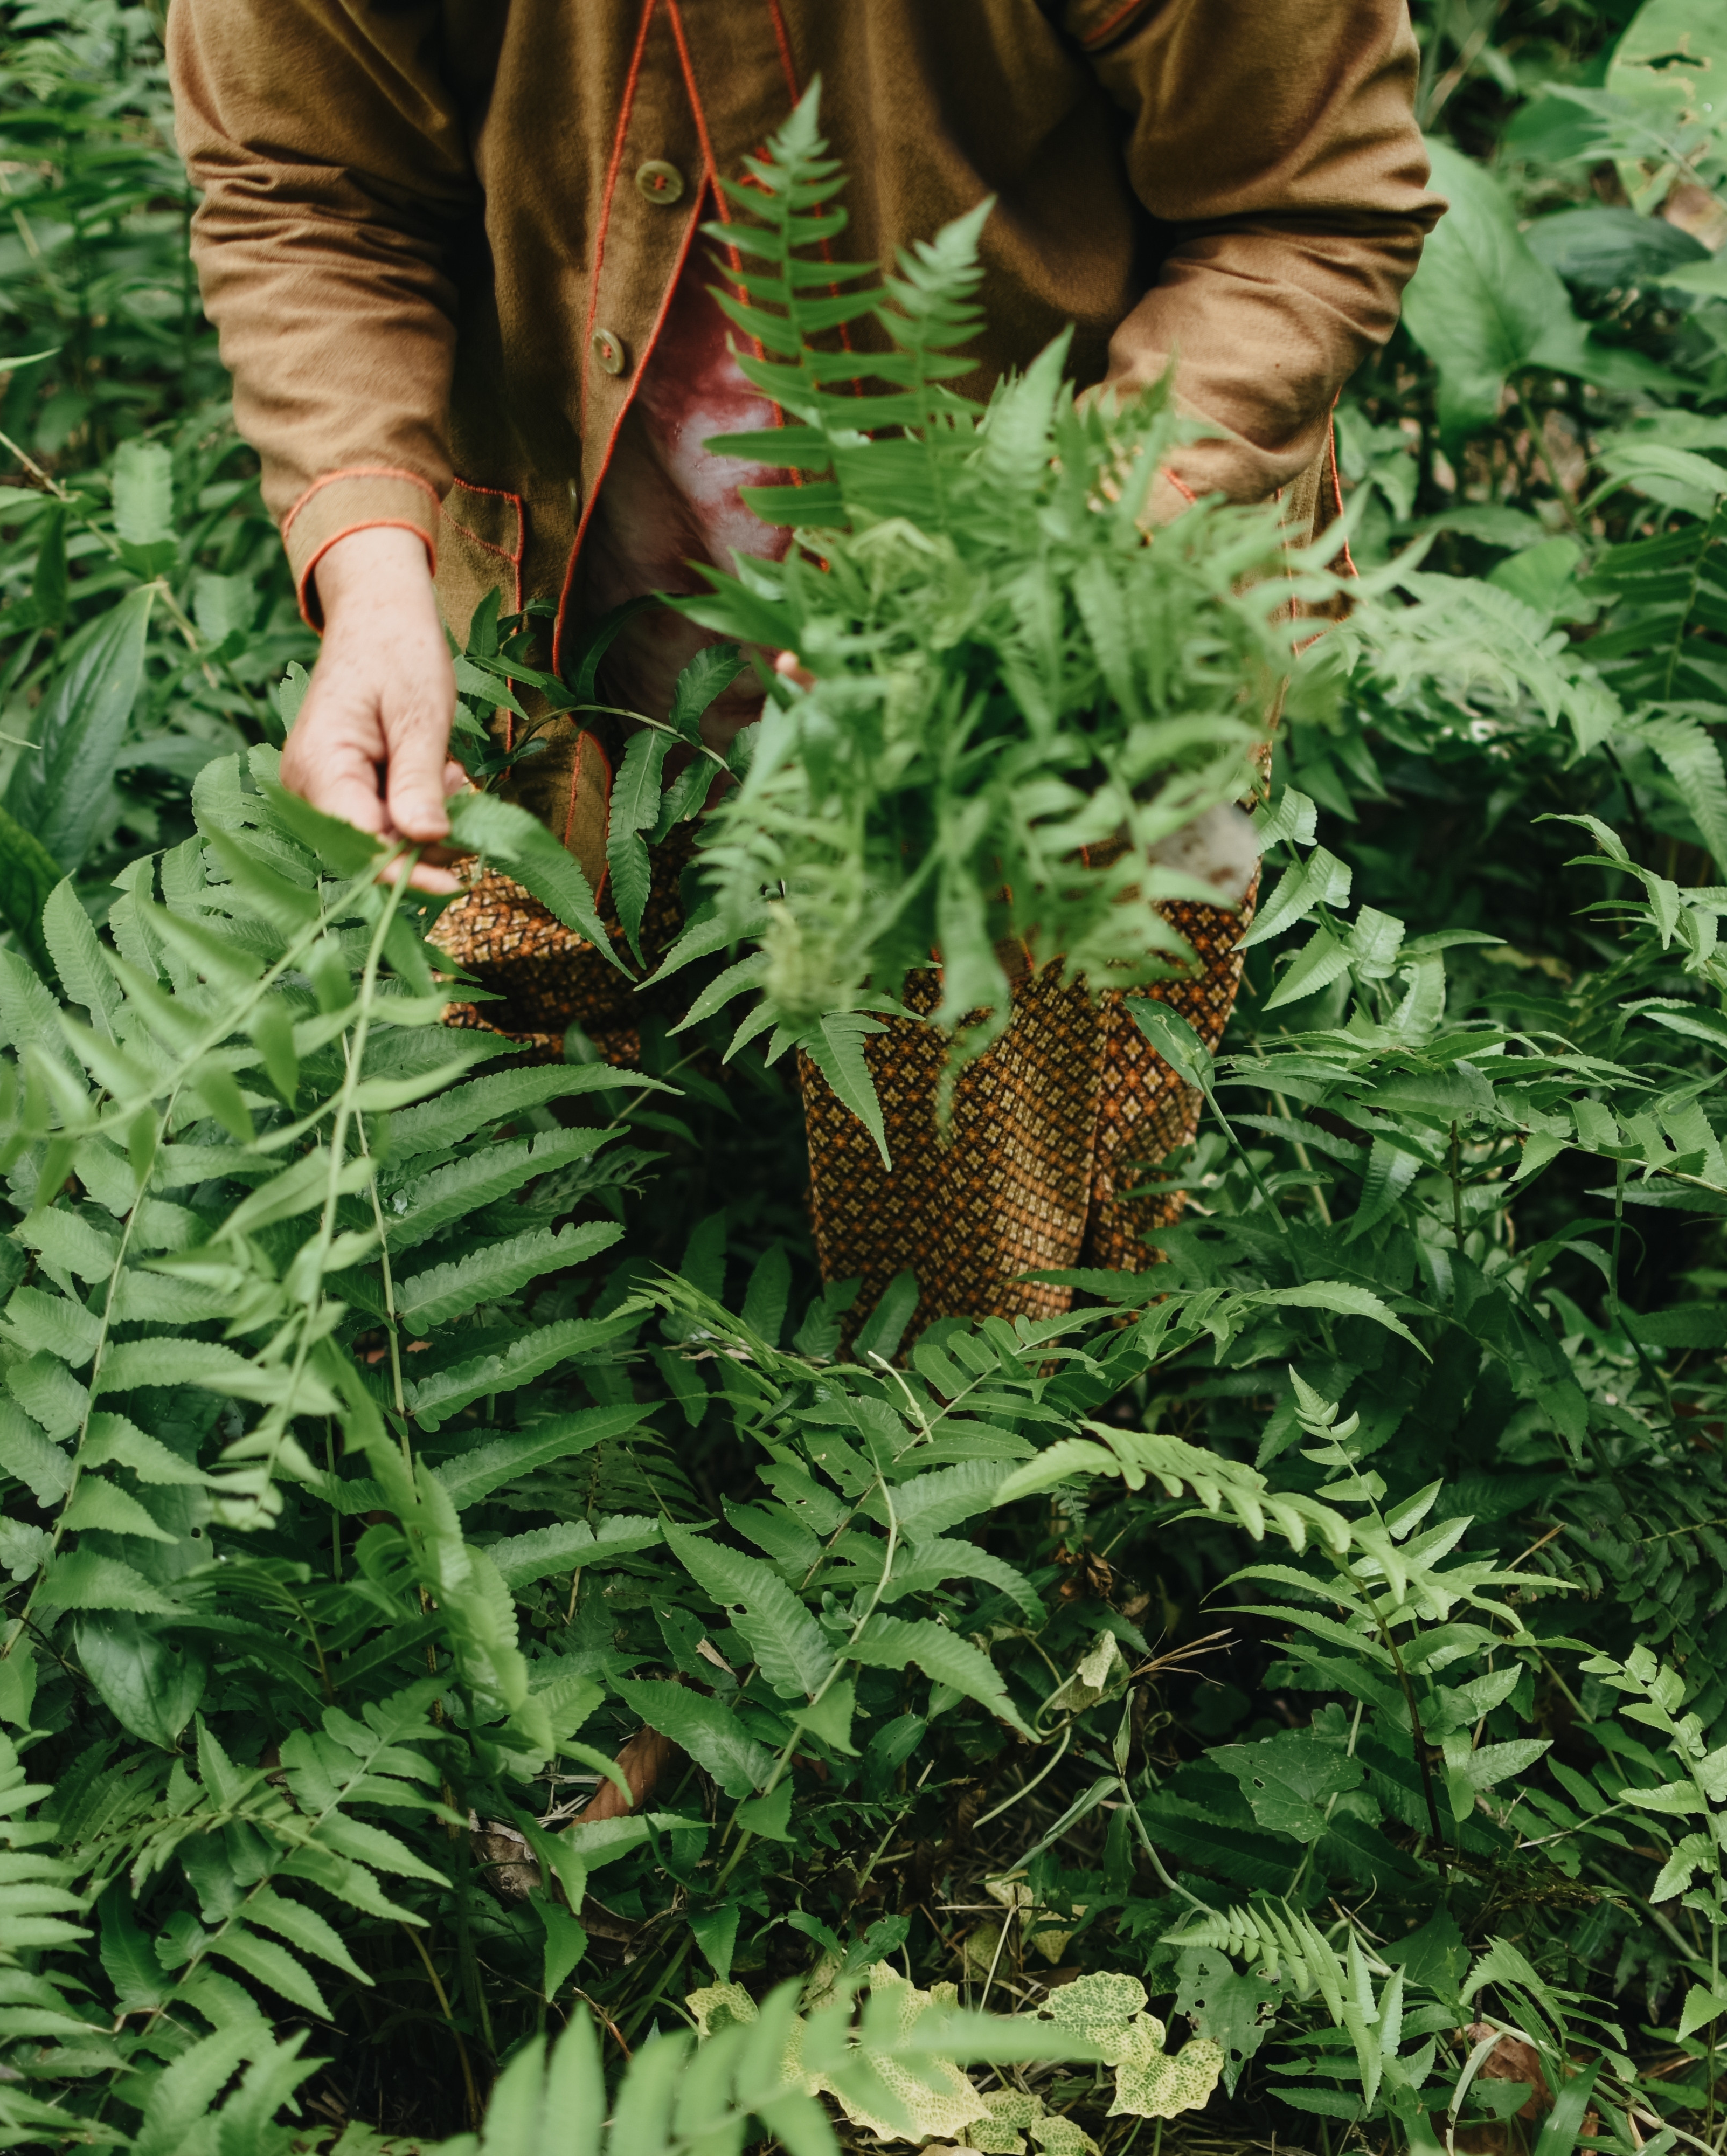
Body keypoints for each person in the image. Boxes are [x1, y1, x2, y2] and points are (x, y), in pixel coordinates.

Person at [168, 1, 1441, 1329]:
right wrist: (378, 575)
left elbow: (1302, 204)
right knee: (489, 1230)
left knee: (992, 1267)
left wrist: (1052, 560)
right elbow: (308, 183)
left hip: (1044, 649)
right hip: (548, 602)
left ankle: (959, 1483)